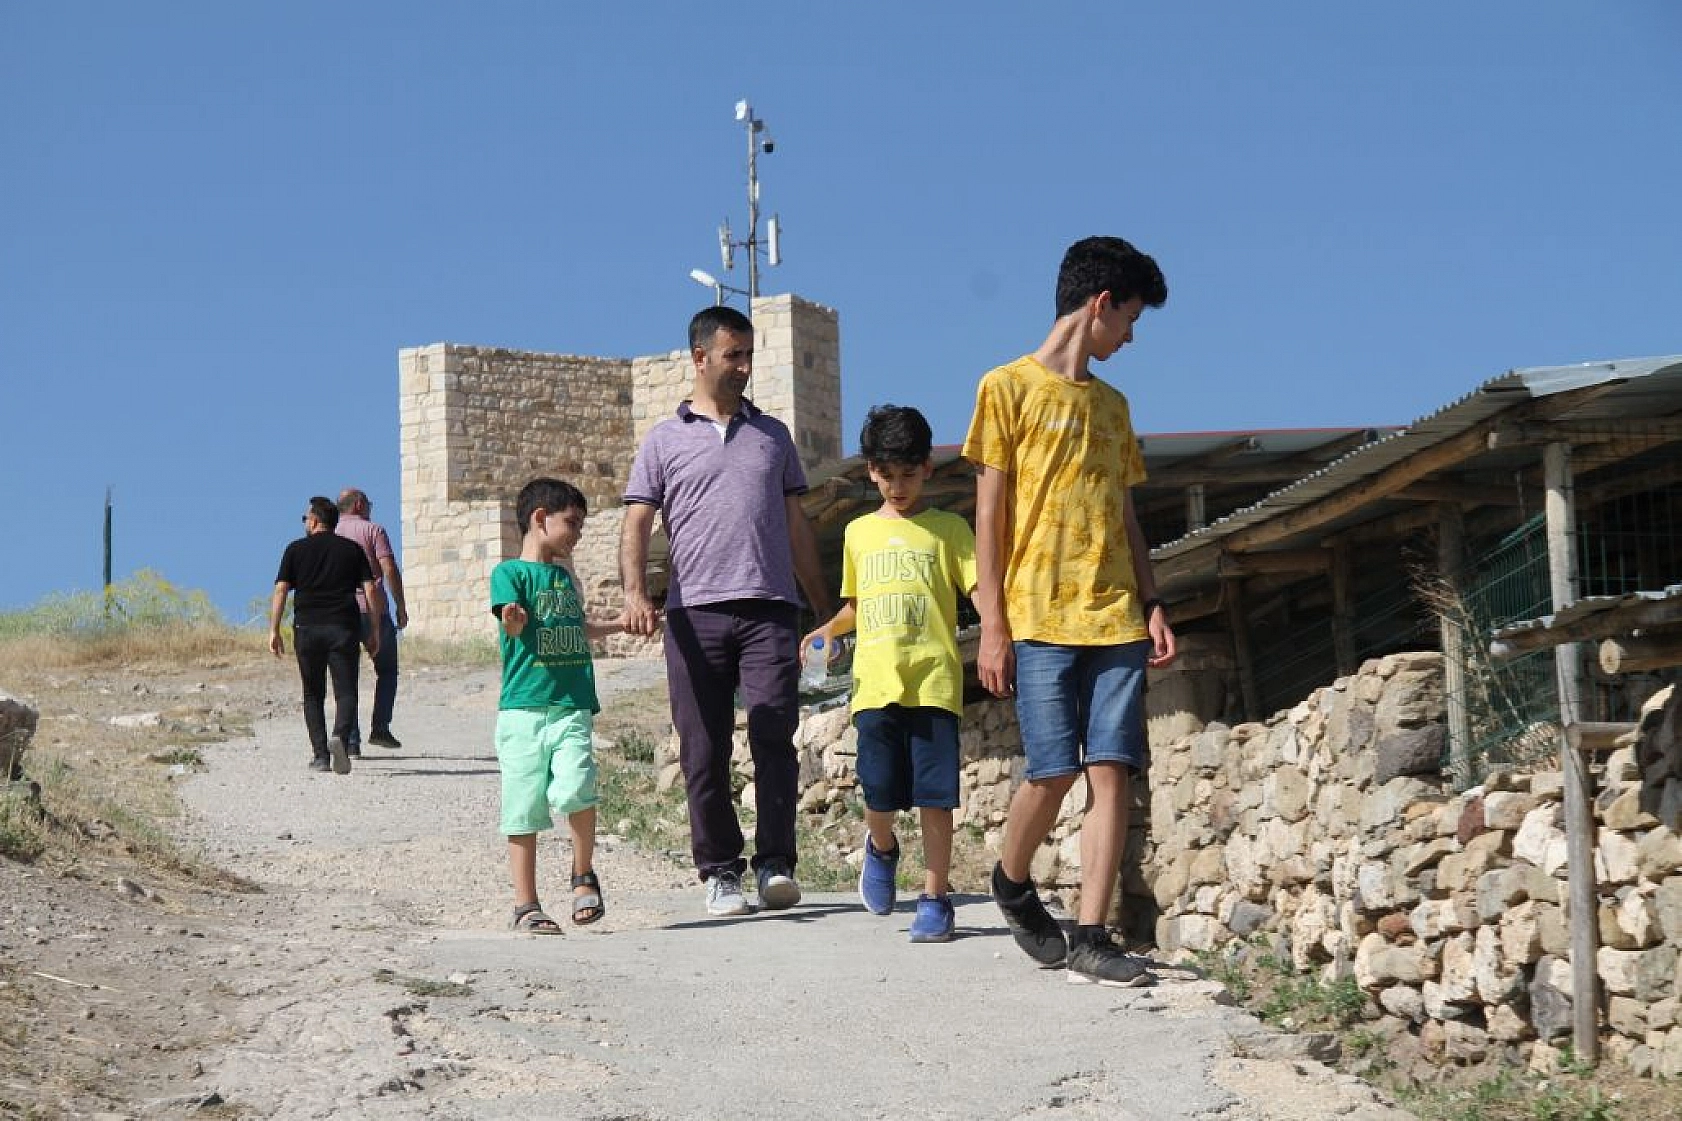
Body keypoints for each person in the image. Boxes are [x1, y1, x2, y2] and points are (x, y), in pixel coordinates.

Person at [962, 235, 1177, 987]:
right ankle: (1010, 882)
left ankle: (1091, 933)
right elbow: (988, 518)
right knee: (1051, 773)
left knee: (1111, 771)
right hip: (1038, 617)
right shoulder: (1006, 388)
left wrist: (1151, 600)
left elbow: (1126, 515)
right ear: (1100, 305)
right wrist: (993, 622)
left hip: (1115, 614)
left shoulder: (1115, 408)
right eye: (1130, 319)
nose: (1131, 336)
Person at [620, 305, 834, 917]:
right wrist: (636, 594)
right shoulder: (664, 440)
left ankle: (775, 865)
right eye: (732, 355)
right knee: (703, 747)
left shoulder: (774, 437)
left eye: (748, 356)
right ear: (699, 358)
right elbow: (636, 521)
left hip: (770, 608)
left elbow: (796, 523)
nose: (743, 367)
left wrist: (820, 605)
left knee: (774, 736)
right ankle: (719, 872)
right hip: (695, 615)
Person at [803, 404, 977, 943]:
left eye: (908, 474)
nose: (897, 486)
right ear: (871, 472)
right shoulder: (858, 533)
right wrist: (827, 633)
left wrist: (999, 630)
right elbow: (857, 603)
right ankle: (880, 847)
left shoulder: (949, 529)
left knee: (935, 795)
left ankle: (934, 897)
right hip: (875, 683)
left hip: (934, 682)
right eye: (887, 474)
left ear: (927, 468)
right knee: (878, 788)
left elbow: (977, 590)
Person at [491, 477, 626, 933]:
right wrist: (512, 620)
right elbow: (511, 625)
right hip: (523, 710)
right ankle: (526, 904)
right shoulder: (509, 574)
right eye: (572, 522)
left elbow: (577, 626)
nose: (577, 533)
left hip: (571, 705)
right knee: (524, 805)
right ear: (540, 518)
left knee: (576, 788)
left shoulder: (566, 578)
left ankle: (583, 875)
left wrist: (616, 626)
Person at [269, 496, 385, 774]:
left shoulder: (295, 550)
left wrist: (274, 629)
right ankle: (341, 740)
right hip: (343, 627)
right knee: (346, 691)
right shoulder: (352, 550)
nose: (305, 523)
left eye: (305, 518)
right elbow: (370, 590)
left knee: (312, 693)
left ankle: (321, 756)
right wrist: (376, 630)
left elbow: (281, 590)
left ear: (315, 520)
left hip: (307, 628)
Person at [335, 488, 409, 753]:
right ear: (358, 505)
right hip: (373, 608)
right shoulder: (373, 530)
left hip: (341, 613)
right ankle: (380, 727)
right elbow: (388, 567)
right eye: (368, 503)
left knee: (347, 675)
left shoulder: (332, 532)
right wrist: (400, 605)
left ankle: (350, 740)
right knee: (387, 670)